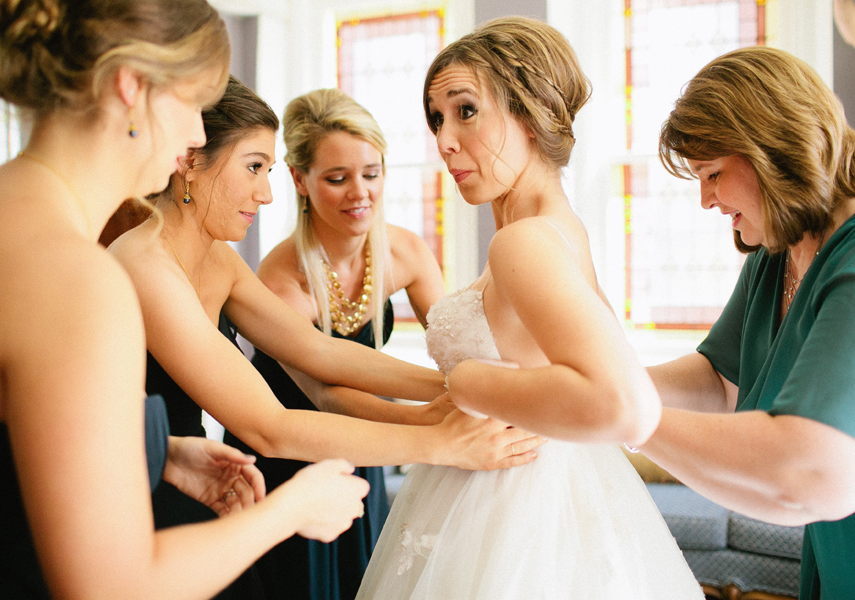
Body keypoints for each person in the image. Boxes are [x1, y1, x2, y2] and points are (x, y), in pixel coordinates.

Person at [0, 1, 371, 598]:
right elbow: (114, 587)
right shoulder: (77, 277)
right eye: (193, 104)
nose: (197, 136)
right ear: (133, 86)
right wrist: (291, 509)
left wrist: (156, 451)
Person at [107, 77, 544, 596]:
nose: (266, 194)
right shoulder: (145, 265)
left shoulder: (217, 258)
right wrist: (440, 442)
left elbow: (317, 350)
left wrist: (454, 387)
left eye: (267, 172)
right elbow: (268, 424)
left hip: (206, 480)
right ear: (189, 161)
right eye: (253, 168)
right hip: (142, 497)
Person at [356, 17, 704, 599]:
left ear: (531, 111)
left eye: (465, 111)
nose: (443, 140)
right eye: (437, 118)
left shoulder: (524, 242)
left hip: (515, 508)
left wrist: (469, 382)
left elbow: (615, 399)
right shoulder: (557, 230)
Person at [615, 47, 855, 600]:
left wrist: (621, 416)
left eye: (714, 174)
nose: (705, 200)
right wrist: (608, 381)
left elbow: (808, 462)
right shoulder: (777, 252)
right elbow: (719, 382)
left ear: (776, 148)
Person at [222, 88, 447, 600]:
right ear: (299, 180)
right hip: (290, 457)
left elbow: (454, 347)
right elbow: (327, 394)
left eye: (371, 173)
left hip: (363, 448)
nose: (360, 193)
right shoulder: (282, 279)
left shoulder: (405, 251)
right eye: (337, 178)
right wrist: (432, 416)